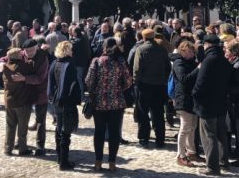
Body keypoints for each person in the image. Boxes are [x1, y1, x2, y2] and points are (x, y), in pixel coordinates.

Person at [86, 37, 133, 172]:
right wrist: (118, 88)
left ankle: (98, 161)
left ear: (104, 47)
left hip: (99, 102)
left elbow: (88, 81)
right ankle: (112, 162)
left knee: (99, 132)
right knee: (114, 133)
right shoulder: (120, 61)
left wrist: (97, 89)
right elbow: (128, 81)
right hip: (117, 102)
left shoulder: (96, 61)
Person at [192, 34, 232, 176]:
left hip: (207, 104)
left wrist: (194, 95)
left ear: (207, 44)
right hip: (221, 103)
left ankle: (213, 167)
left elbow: (200, 83)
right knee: (221, 134)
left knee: (209, 136)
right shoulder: (223, 59)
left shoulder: (208, 60)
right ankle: (223, 161)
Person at [134, 29, 171, 148]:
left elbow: (137, 69)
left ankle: (144, 138)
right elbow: (167, 67)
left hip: (145, 85)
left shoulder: (141, 49)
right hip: (159, 85)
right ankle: (160, 139)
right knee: (158, 113)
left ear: (144, 38)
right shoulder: (162, 49)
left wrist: (136, 82)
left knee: (143, 112)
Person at [47, 41, 81, 170]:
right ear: (67, 50)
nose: (72, 51)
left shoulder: (54, 63)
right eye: (71, 49)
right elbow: (72, 86)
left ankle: (59, 157)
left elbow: (51, 83)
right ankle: (64, 161)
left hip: (56, 100)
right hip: (66, 101)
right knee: (65, 131)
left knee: (59, 128)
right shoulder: (69, 64)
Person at [170, 41, 205, 167]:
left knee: (193, 126)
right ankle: (180, 155)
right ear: (182, 51)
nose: (192, 54)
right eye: (189, 52)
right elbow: (184, 79)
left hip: (191, 98)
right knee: (185, 127)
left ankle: (192, 152)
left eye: (192, 51)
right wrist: (198, 69)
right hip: (183, 99)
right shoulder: (179, 63)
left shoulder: (190, 62)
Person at [0, 48, 32, 156]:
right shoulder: (23, 66)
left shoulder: (5, 67)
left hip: (9, 100)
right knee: (22, 127)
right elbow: (31, 66)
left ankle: (8, 148)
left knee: (10, 125)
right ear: (18, 56)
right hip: (21, 101)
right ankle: (22, 148)